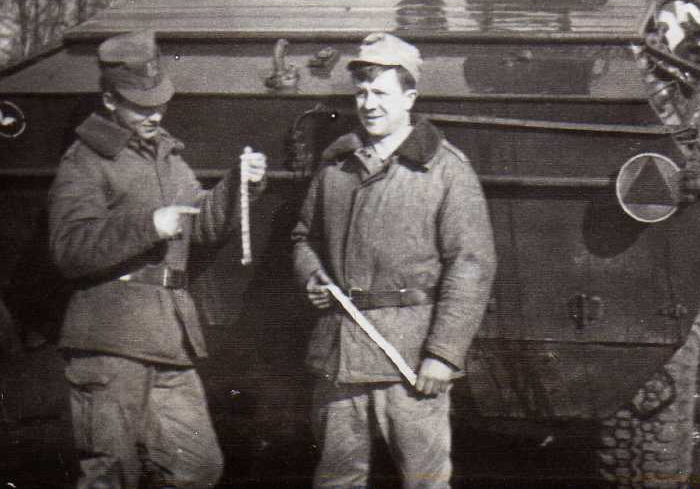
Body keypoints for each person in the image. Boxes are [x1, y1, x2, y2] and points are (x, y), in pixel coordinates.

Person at [48, 29, 267, 488]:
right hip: (110, 341)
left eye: (159, 102)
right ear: (110, 100)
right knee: (112, 473)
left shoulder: (167, 157)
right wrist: (150, 225)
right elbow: (70, 248)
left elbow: (201, 226)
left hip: (168, 337)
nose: (155, 113)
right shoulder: (84, 161)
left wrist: (239, 185)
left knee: (196, 467)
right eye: (141, 105)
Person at [292, 32, 496, 488]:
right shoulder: (337, 167)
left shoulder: (446, 170)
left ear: (409, 97)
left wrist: (443, 354)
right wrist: (311, 275)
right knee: (337, 480)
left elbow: (471, 266)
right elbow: (305, 237)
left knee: (425, 481)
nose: (368, 104)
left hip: (409, 357)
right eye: (361, 92)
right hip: (341, 355)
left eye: (381, 93)